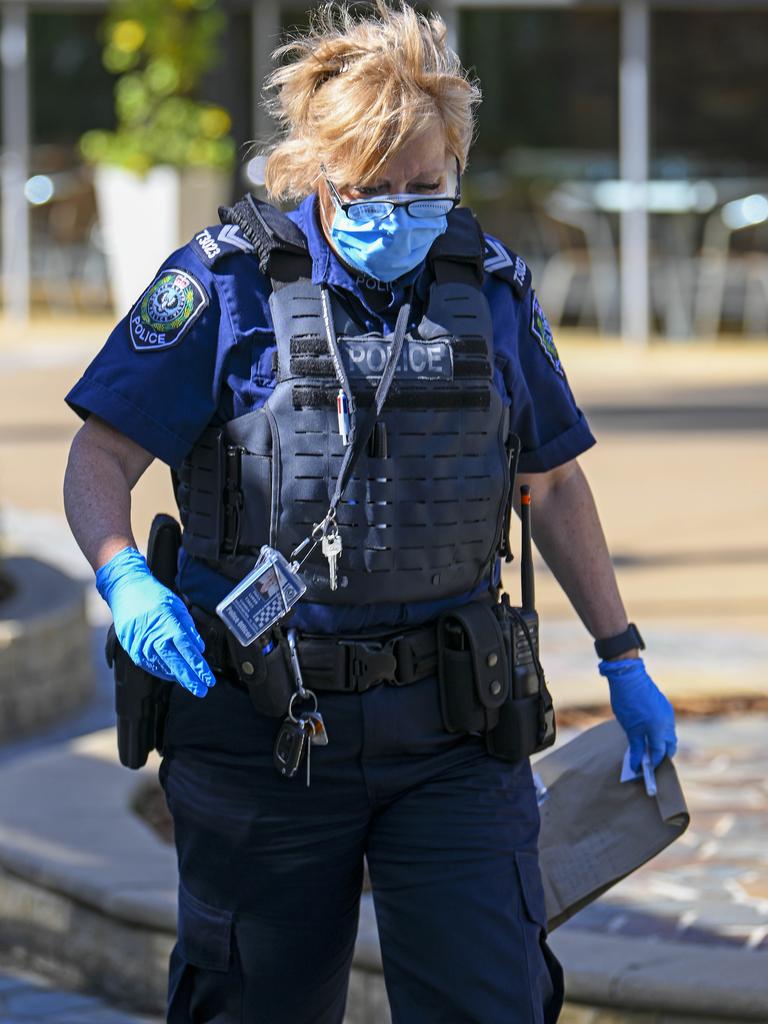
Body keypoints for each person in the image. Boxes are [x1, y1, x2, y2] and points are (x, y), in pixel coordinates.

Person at [63, 3, 677, 1021]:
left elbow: (554, 481)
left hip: (452, 723)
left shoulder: (488, 289)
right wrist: (125, 577)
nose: (399, 208)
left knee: (492, 998)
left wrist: (623, 655)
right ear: (317, 172)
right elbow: (101, 452)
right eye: (370, 190)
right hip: (262, 726)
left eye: (423, 187)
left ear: (457, 167)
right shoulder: (223, 285)